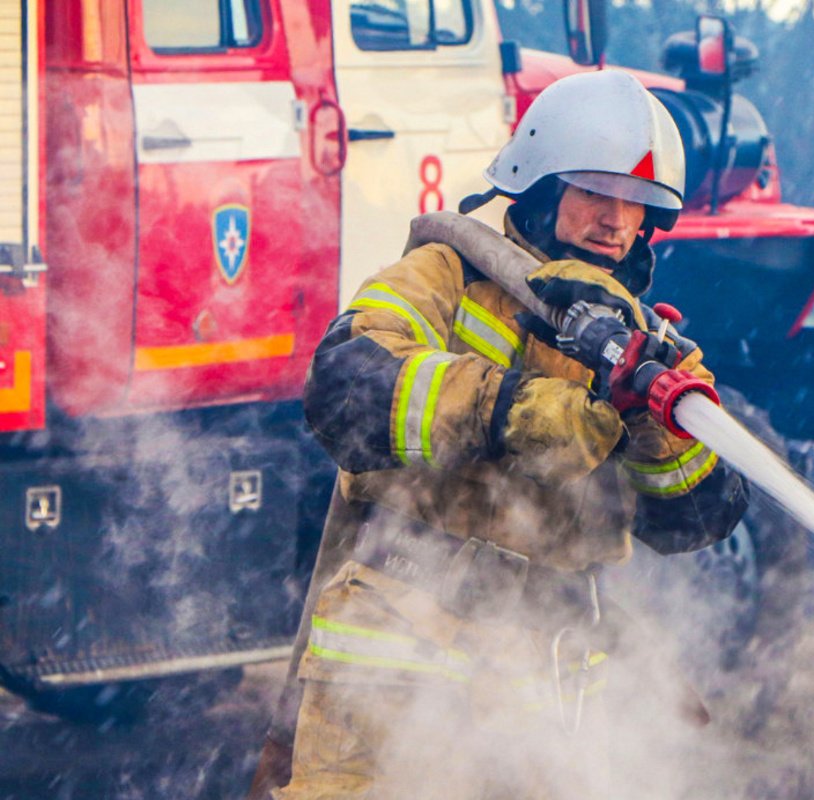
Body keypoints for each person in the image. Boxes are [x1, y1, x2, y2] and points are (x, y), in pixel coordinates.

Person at [255, 69, 749, 799]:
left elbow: (699, 517)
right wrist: (513, 409)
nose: (616, 221)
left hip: (545, 674)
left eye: (637, 205)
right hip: (396, 651)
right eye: (595, 193)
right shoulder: (446, 274)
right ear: (542, 186)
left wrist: (654, 428)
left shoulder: (647, 345)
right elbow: (345, 384)